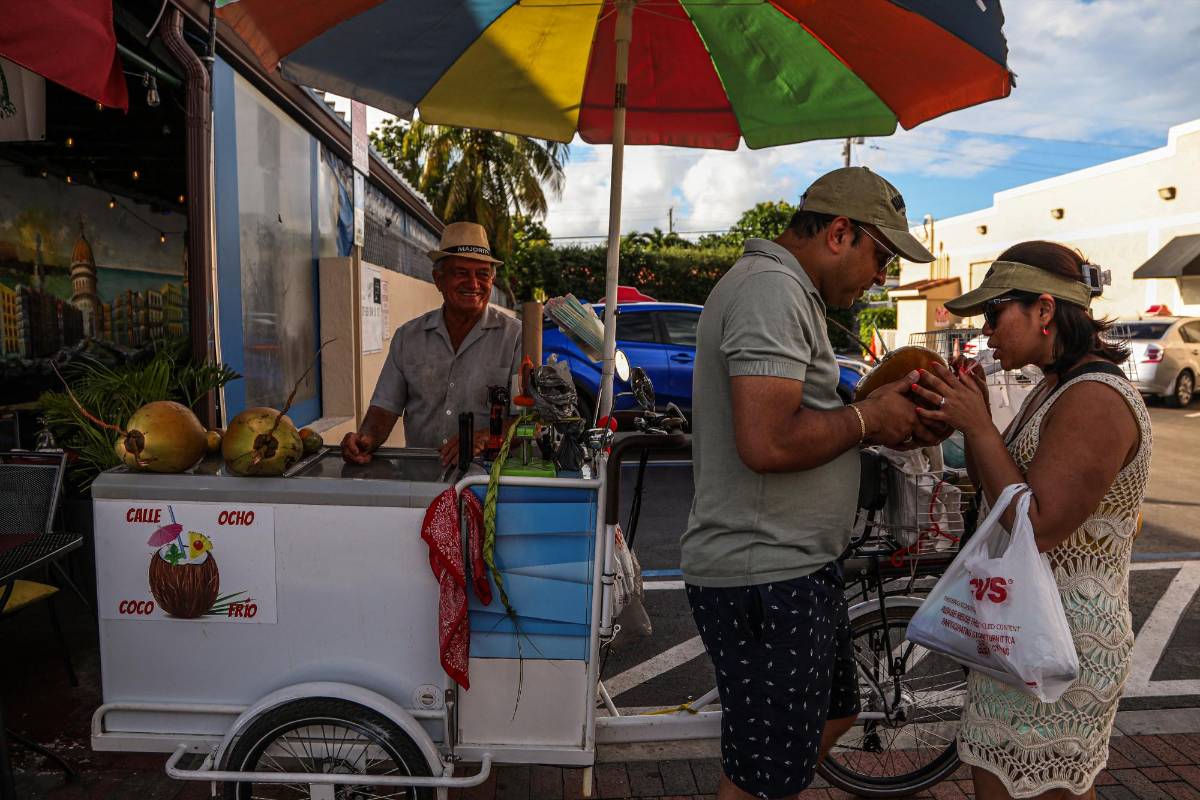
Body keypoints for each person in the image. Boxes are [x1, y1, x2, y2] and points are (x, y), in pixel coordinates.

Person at [682, 167, 939, 800]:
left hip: (795, 566)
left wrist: (874, 419)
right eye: (880, 256)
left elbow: (807, 421)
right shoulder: (771, 289)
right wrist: (868, 417)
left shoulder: (789, 292)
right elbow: (767, 441)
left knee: (832, 717)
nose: (883, 275)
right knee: (767, 777)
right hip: (764, 572)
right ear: (840, 233)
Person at [911, 241, 1151, 800]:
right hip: (1025, 624)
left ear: (1044, 310)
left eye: (996, 313)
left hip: (1059, 636)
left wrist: (980, 427)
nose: (987, 331)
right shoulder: (1055, 385)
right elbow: (1002, 494)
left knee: (1028, 787)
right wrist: (968, 421)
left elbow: (1038, 525)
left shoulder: (1093, 396)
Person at [341, 222, 522, 466]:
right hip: (419, 480)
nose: (473, 283)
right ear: (439, 279)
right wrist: (364, 439)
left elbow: (530, 421)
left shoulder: (515, 337)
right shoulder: (408, 337)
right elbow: (385, 407)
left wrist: (488, 437)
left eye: (482, 274)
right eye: (461, 273)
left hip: (488, 484)